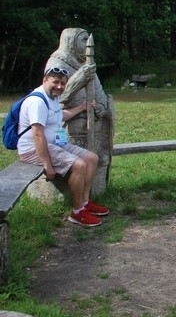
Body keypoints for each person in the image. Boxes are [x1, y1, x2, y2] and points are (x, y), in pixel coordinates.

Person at [17, 66, 108, 227]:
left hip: (55, 144)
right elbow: (37, 134)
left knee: (92, 158)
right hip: (34, 149)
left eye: (63, 83)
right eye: (56, 82)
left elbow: (59, 116)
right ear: (45, 80)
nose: (59, 86)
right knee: (79, 165)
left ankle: (85, 203)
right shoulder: (37, 102)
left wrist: (81, 107)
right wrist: (47, 164)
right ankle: (77, 212)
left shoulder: (52, 98)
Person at [46, 28, 115, 195]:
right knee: (77, 162)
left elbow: (99, 92)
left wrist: (102, 106)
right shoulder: (57, 63)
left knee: (102, 159)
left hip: (96, 123)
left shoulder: (86, 64)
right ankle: (78, 200)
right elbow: (58, 97)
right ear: (71, 41)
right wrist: (79, 78)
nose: (87, 45)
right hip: (72, 127)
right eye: (83, 40)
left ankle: (97, 195)